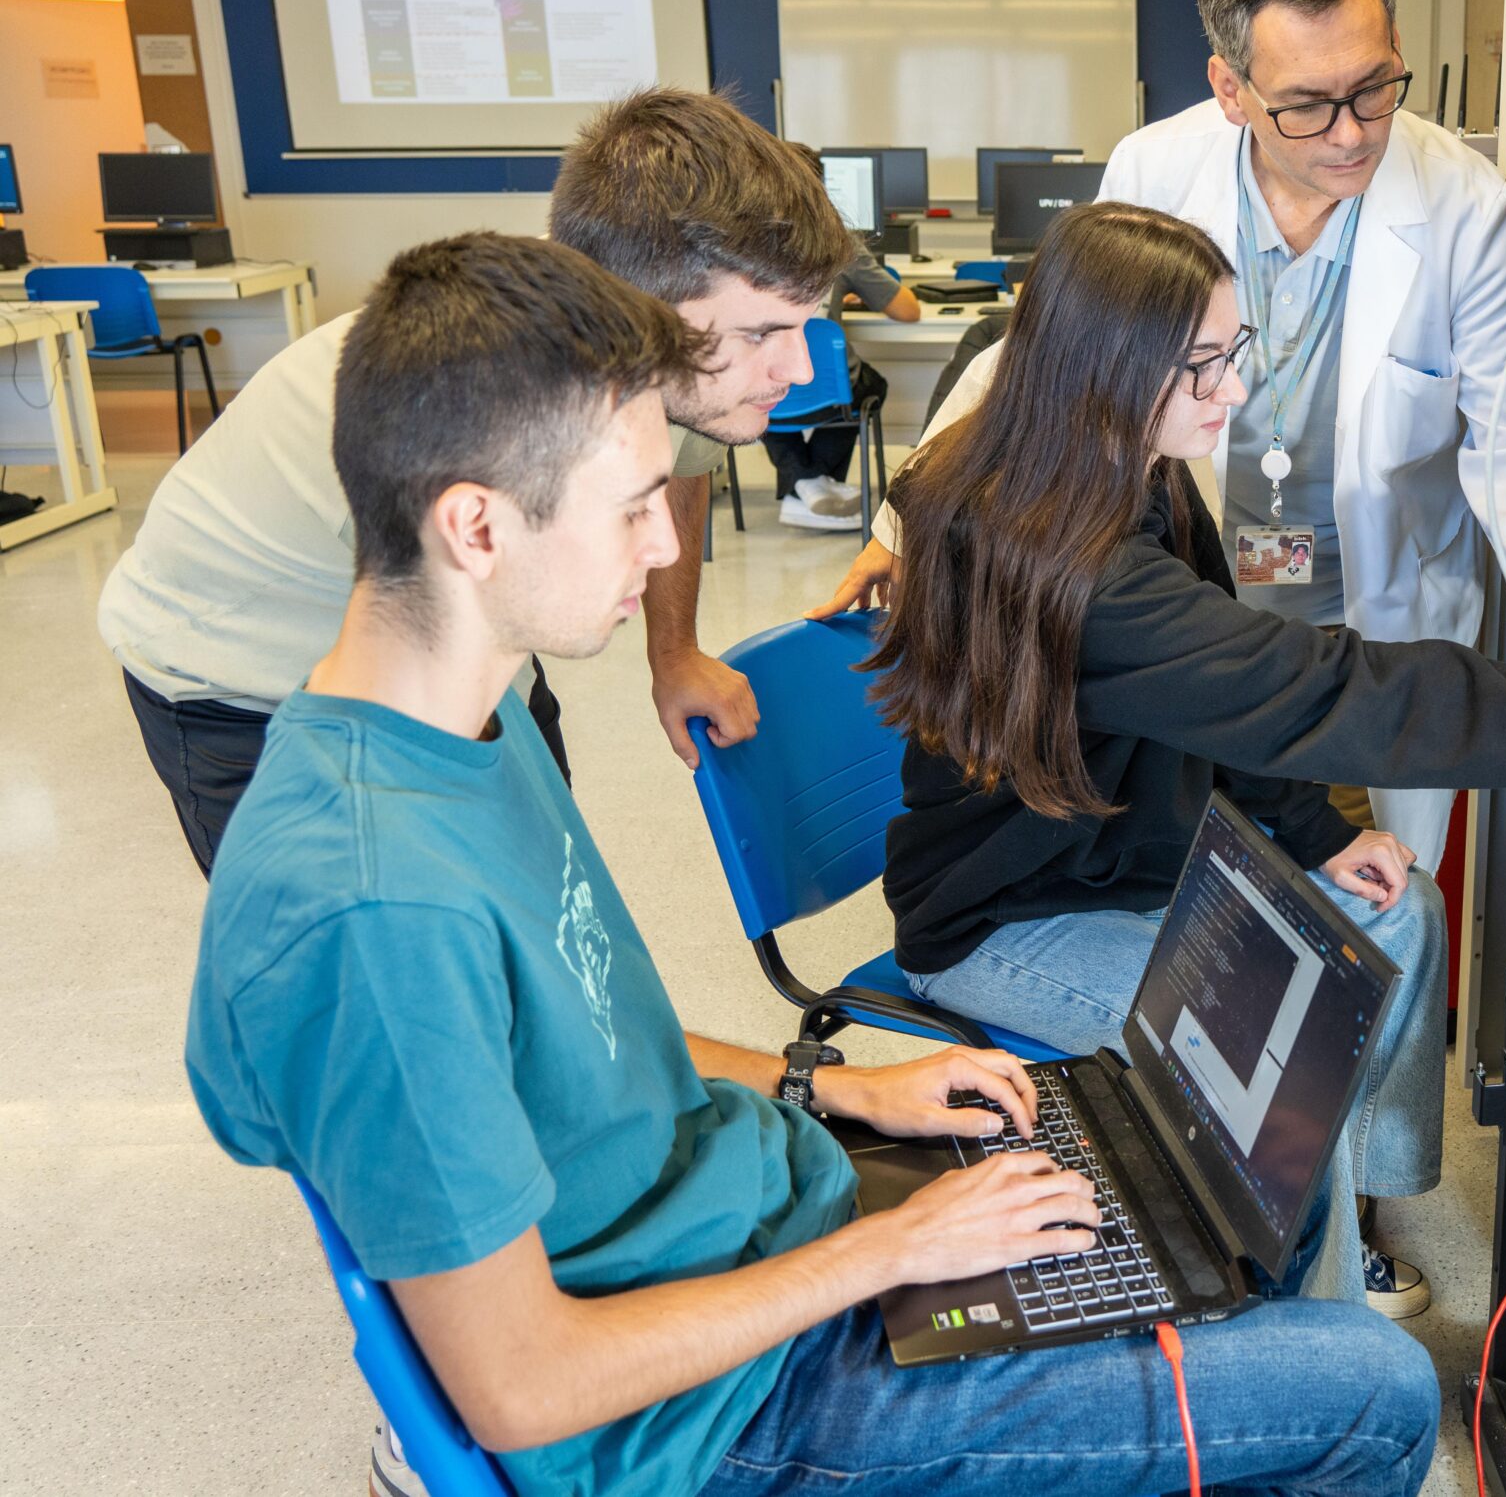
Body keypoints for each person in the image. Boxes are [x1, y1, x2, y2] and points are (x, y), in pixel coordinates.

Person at [185, 232, 1440, 1497]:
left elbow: (597, 1060)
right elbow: (524, 1392)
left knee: (1228, 1214)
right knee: (1370, 1388)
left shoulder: (469, 720)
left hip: (772, 1223)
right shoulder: (369, 908)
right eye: (632, 509)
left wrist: (842, 1087)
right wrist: (894, 1250)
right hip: (722, 1409)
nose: (666, 552)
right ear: (476, 527)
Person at [867, 203, 1506, 1317]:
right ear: (1106, 365)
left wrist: (1321, 835)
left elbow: (1234, 706)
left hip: (1127, 866)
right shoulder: (1074, 561)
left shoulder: (1120, 467)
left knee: (1396, 912)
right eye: (1199, 367)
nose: (1230, 394)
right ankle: (1322, 1337)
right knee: (1293, 1073)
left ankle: (1356, 1213)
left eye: (1230, 355)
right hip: (1009, 922)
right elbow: (1316, 692)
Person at [817, 0, 1506, 870]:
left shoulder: (1462, 203)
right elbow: (1052, 357)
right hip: (1191, 597)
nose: (1350, 133)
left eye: (1376, 86)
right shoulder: (1155, 168)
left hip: (1374, 603)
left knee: (1380, 879)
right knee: (1220, 876)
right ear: (1230, 88)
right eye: (1306, 103)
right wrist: (907, 525)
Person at [100, 88, 842, 874]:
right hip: (239, 667)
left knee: (541, 883)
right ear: (644, 309)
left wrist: (675, 651)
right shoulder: (480, 413)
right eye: (764, 333)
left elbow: (681, 459)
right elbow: (416, 705)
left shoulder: (638, 347)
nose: (799, 370)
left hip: (457, 625)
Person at [767, 143, 919, 533]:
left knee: (762, 385)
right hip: (827, 389)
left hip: (763, 384)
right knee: (870, 387)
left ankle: (802, 484)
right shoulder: (841, 244)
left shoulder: (738, 244)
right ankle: (811, 482)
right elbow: (908, 311)